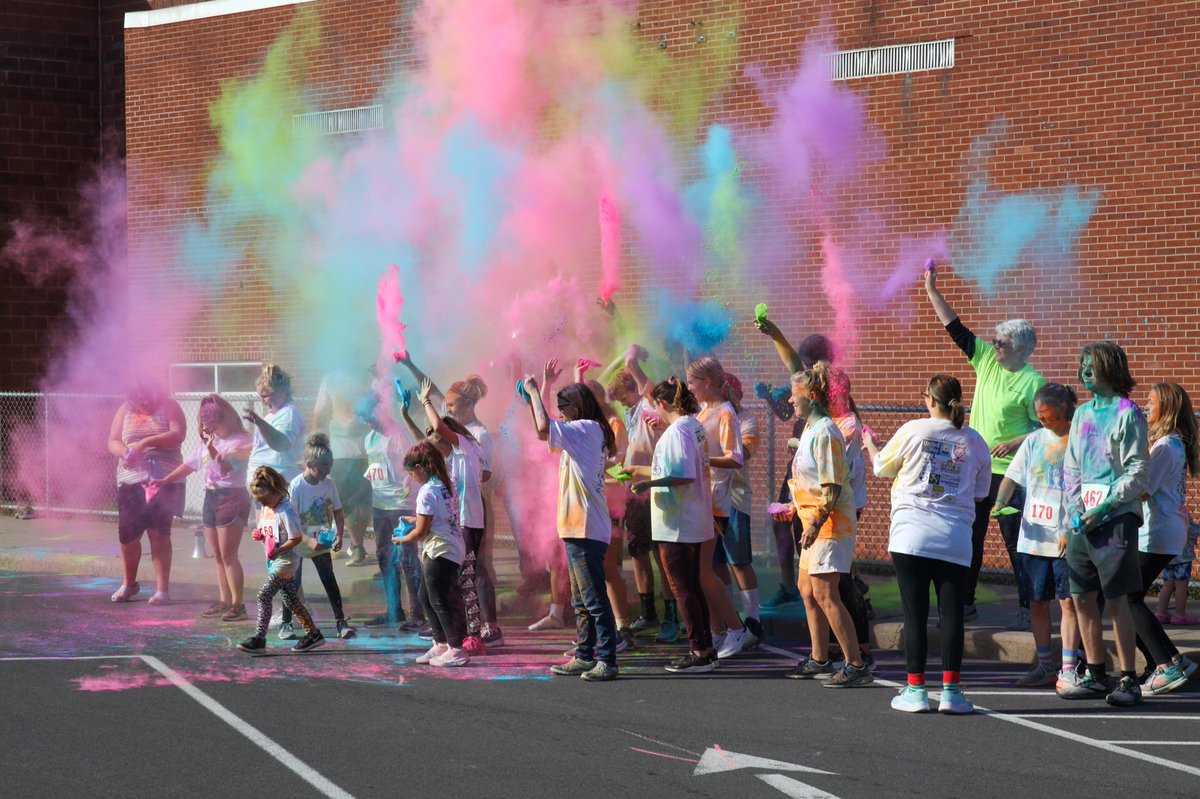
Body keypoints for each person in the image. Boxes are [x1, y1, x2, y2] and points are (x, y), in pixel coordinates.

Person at [926, 262, 1044, 629]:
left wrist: (1015, 442)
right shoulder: (986, 362)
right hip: (976, 468)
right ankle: (966, 601)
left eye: (1001, 342)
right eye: (994, 340)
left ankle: (1028, 605)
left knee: (1015, 541)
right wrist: (931, 289)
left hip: (1012, 475)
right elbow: (955, 329)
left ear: (1020, 348)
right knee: (969, 536)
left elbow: (1047, 428)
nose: (993, 345)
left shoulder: (1032, 381)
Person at [871, 375, 991, 714]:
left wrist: (870, 445)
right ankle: (952, 692)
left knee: (915, 615)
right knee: (952, 616)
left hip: (911, 536)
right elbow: (981, 494)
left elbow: (882, 467)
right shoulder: (974, 441)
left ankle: (916, 691)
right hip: (954, 538)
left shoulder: (914, 430)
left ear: (930, 400)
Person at [1058, 341, 1147, 707]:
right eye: (1082, 366)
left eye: (1091, 366)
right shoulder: (1081, 414)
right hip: (1082, 521)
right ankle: (1095, 674)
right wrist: (1075, 510)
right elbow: (1072, 466)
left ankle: (1128, 679)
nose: (1084, 372)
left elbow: (1138, 471)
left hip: (1115, 519)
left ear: (1110, 368)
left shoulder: (1129, 413)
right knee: (1081, 597)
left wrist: (1106, 503)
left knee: (1116, 599)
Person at [520, 367, 620, 682]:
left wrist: (536, 391)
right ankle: (584, 655)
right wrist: (545, 387)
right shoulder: (582, 431)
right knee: (580, 599)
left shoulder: (587, 429)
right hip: (577, 527)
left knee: (592, 597)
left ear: (576, 408)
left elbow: (541, 429)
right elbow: (545, 430)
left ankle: (607, 659)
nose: (560, 416)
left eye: (564, 409)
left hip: (586, 527)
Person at [776, 363, 872, 688]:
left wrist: (815, 521)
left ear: (812, 395)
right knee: (807, 590)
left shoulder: (827, 431)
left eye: (794, 394)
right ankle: (820, 659)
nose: (790, 400)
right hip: (812, 522)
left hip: (830, 525)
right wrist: (793, 507)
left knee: (826, 593)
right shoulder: (809, 427)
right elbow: (810, 480)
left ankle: (856, 663)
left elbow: (831, 486)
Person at [992, 384, 1081, 688]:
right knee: (1038, 602)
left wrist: (1073, 528)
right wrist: (1000, 502)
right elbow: (1011, 478)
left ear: (1064, 410)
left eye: (1047, 414)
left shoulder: (1079, 441)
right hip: (1034, 536)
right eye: (1039, 414)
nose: (1042, 419)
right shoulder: (1033, 441)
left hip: (1067, 537)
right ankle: (1045, 664)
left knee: (1069, 602)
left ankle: (1069, 666)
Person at [630, 378, 718, 673]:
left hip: (679, 522)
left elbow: (684, 475)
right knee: (691, 586)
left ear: (663, 404)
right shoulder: (689, 426)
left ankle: (699, 651)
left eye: (655, 403)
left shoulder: (680, 429)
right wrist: (640, 470)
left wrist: (647, 484)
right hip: (690, 518)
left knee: (682, 588)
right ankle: (705, 647)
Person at [405, 378, 497, 645]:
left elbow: (438, 428)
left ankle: (473, 634)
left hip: (470, 522)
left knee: (467, 578)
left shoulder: (468, 446)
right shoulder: (456, 453)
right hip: (461, 522)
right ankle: (461, 630)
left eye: (454, 404)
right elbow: (428, 438)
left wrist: (425, 402)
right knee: (458, 578)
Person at [752, 322, 835, 609]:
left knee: (812, 529)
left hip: (817, 475)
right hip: (799, 470)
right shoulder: (806, 390)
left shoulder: (826, 388)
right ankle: (792, 586)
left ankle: (821, 588)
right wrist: (770, 396)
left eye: (813, 363)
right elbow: (788, 408)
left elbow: (794, 366)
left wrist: (776, 333)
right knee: (783, 522)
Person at [150, 394, 251, 620]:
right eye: (204, 415)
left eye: (211, 414)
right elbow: (189, 464)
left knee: (228, 555)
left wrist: (211, 447)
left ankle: (238, 605)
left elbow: (225, 467)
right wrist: (166, 480)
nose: (206, 419)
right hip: (211, 497)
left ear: (224, 415)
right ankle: (225, 601)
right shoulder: (209, 442)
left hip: (231, 497)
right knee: (217, 555)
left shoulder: (241, 440)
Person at [685, 357, 757, 658]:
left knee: (710, 570)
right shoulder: (702, 411)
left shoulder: (727, 413)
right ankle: (717, 632)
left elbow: (736, 457)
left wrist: (704, 461)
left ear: (709, 382)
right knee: (708, 570)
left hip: (717, 503)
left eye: (693, 382)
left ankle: (738, 628)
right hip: (701, 502)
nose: (690, 388)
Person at [609, 347, 681, 643]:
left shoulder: (649, 405)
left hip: (654, 487)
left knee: (661, 556)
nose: (623, 402)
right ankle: (649, 611)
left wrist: (631, 360)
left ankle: (672, 616)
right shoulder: (630, 413)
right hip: (634, 489)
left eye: (624, 396)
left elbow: (644, 384)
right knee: (637, 551)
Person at [1134, 382, 1199, 694]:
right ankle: (1165, 660)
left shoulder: (1165, 448)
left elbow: (1143, 489)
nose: (1146, 407)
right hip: (1160, 531)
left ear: (1167, 409)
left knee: (1127, 599)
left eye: (1151, 402)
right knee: (1125, 600)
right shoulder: (1167, 444)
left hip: (1157, 532)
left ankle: (1166, 664)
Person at [106, 380, 186, 605]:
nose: (145, 405)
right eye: (140, 401)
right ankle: (129, 584)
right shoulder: (125, 409)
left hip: (163, 479)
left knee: (159, 533)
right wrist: (125, 453)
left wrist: (144, 444)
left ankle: (162, 590)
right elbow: (113, 440)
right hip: (130, 480)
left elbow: (178, 434)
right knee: (128, 535)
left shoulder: (170, 406)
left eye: (148, 401)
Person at [577, 361, 636, 652]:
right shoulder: (588, 426)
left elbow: (619, 463)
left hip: (610, 501)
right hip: (591, 502)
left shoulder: (613, 424)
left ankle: (623, 627)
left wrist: (597, 467)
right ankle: (607, 628)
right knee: (594, 568)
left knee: (608, 567)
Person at [397, 441, 470, 667]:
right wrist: (414, 520)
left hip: (440, 550)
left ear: (419, 468)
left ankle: (456, 649)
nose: (411, 478)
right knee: (424, 597)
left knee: (439, 600)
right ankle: (440, 644)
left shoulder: (427, 491)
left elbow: (421, 532)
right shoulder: (445, 484)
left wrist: (401, 539)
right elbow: (433, 518)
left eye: (411, 473)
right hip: (451, 546)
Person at [237, 466, 324, 655]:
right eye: (259, 501)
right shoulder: (268, 509)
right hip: (274, 561)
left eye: (265, 499)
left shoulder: (286, 510)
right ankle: (314, 635)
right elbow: (267, 532)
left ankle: (259, 638)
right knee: (291, 600)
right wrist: (258, 534)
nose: (263, 503)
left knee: (264, 595)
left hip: (286, 562)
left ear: (275, 491)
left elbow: (296, 538)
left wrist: (278, 551)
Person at [443, 374, 502, 646]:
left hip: (475, 509)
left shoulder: (479, 434)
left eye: (452, 405)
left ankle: (492, 627)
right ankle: (468, 623)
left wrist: (467, 474)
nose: (448, 410)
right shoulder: (454, 435)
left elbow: (487, 472)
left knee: (478, 567)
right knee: (459, 568)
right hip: (457, 511)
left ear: (467, 406)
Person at [361, 388, 425, 633]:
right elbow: (373, 469)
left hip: (401, 505)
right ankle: (393, 610)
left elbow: (415, 463)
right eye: (365, 418)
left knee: (407, 558)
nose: (369, 422)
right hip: (380, 504)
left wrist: (410, 482)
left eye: (371, 416)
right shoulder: (369, 438)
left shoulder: (398, 436)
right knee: (385, 556)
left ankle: (417, 613)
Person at [283, 433, 356, 640]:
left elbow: (338, 513)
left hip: (321, 541)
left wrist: (339, 535)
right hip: (297, 541)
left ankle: (341, 622)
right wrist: (308, 540)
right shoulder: (297, 486)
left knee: (329, 579)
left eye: (330, 465)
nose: (327, 470)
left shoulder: (329, 483)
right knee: (291, 583)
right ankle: (286, 623)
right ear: (309, 464)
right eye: (323, 466)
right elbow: (292, 523)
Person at [721, 372, 764, 641]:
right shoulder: (711, 414)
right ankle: (730, 619)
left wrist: (727, 422)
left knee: (738, 560)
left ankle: (753, 621)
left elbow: (743, 455)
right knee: (715, 563)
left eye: (730, 393)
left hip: (735, 498)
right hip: (711, 499)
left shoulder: (746, 420)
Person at [313, 370, 373, 565]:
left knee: (362, 504)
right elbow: (319, 415)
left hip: (366, 451)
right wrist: (316, 447)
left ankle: (357, 545)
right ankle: (340, 544)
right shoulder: (330, 379)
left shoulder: (366, 378)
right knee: (338, 501)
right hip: (338, 453)